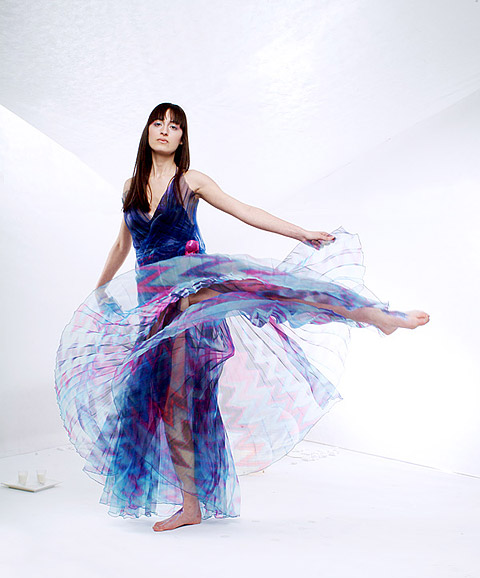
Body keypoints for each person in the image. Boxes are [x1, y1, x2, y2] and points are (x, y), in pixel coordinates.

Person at [55, 102, 429, 533]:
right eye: (158, 123)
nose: (165, 130)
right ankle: (191, 506)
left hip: (193, 287)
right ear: (148, 131)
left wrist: (301, 232)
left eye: (174, 126)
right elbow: (122, 246)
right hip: (153, 306)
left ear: (182, 138)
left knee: (273, 289)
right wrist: (100, 290)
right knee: (171, 404)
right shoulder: (131, 187)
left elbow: (244, 210)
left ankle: (378, 316)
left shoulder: (190, 181)